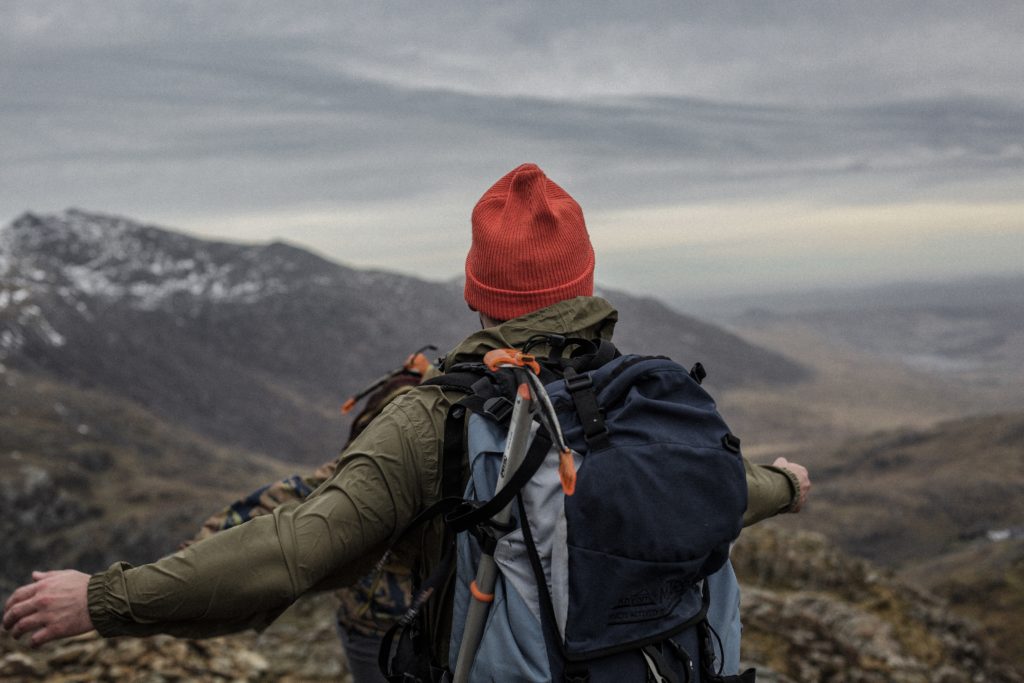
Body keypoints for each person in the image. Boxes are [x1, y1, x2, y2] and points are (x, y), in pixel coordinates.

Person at [3, 163, 810, 676]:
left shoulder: (440, 415)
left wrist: (102, 599)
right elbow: (723, 488)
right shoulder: (640, 393)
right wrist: (785, 483)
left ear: (476, 293)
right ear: (587, 280)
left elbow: (298, 549)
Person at [182, 348, 437, 683]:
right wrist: (193, 561)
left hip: (394, 621)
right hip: (384, 626)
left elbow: (294, 495)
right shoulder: (401, 446)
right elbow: (294, 497)